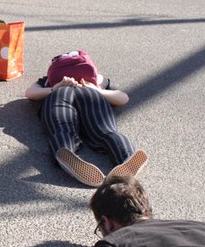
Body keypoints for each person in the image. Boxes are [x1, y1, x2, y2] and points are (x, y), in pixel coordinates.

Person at [24, 51, 147, 186]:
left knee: (62, 131)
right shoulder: (98, 78)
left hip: (59, 94)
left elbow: (30, 93)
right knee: (106, 131)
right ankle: (127, 157)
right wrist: (98, 90)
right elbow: (123, 98)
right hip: (90, 94)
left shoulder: (48, 80)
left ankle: (66, 155)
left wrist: (54, 88)